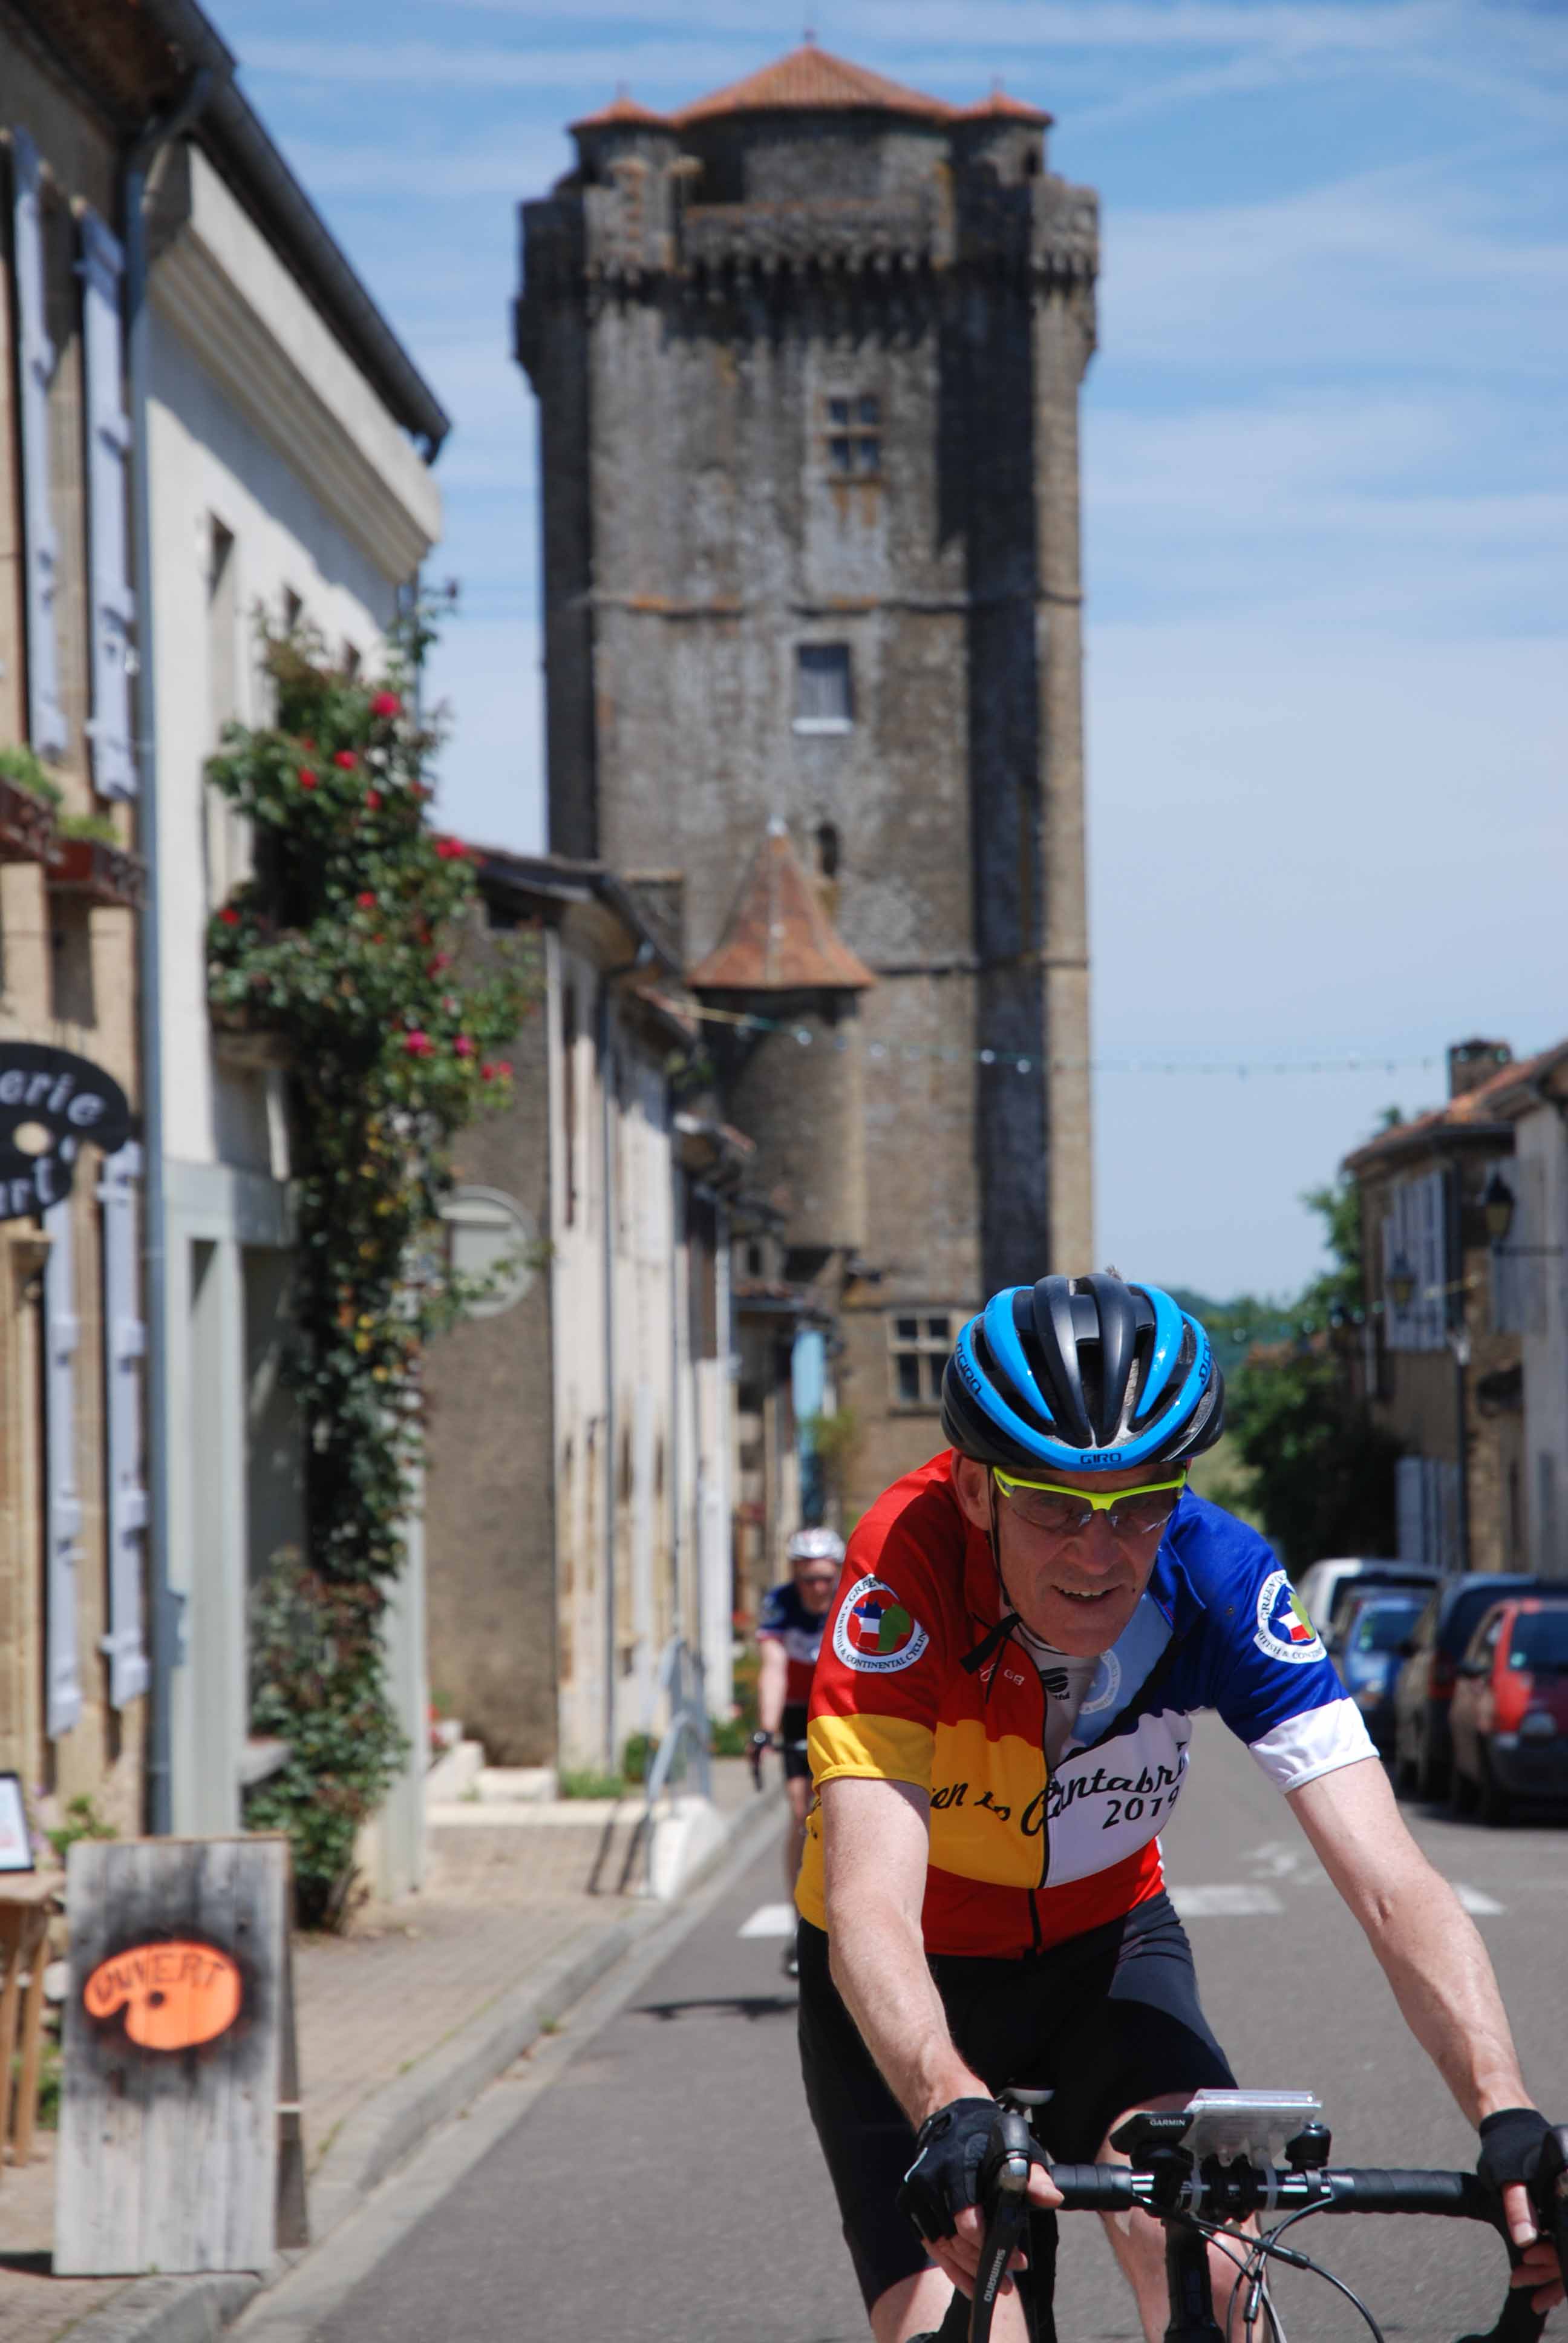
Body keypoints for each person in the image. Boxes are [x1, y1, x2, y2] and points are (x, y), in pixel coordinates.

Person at [795, 1273, 1563, 2343]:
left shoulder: (1216, 1575)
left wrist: (1506, 2110)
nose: (1098, 1552)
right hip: (913, 1980)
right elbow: (870, 1902)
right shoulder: (904, 1568)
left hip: (1104, 1951)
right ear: (974, 1489)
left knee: (1212, 2263)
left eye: (1141, 1502)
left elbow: (1392, 1882)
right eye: (1055, 1503)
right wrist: (943, 2097)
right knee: (968, 2326)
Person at [754, 1525, 846, 1973]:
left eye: (826, 1578)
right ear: (795, 1574)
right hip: (796, 1711)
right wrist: (765, 1730)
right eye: (808, 1578)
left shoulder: (853, 1600)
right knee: (799, 1812)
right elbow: (773, 1668)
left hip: (840, 1711)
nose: (818, 1588)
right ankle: (799, 1924)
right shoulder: (781, 1603)